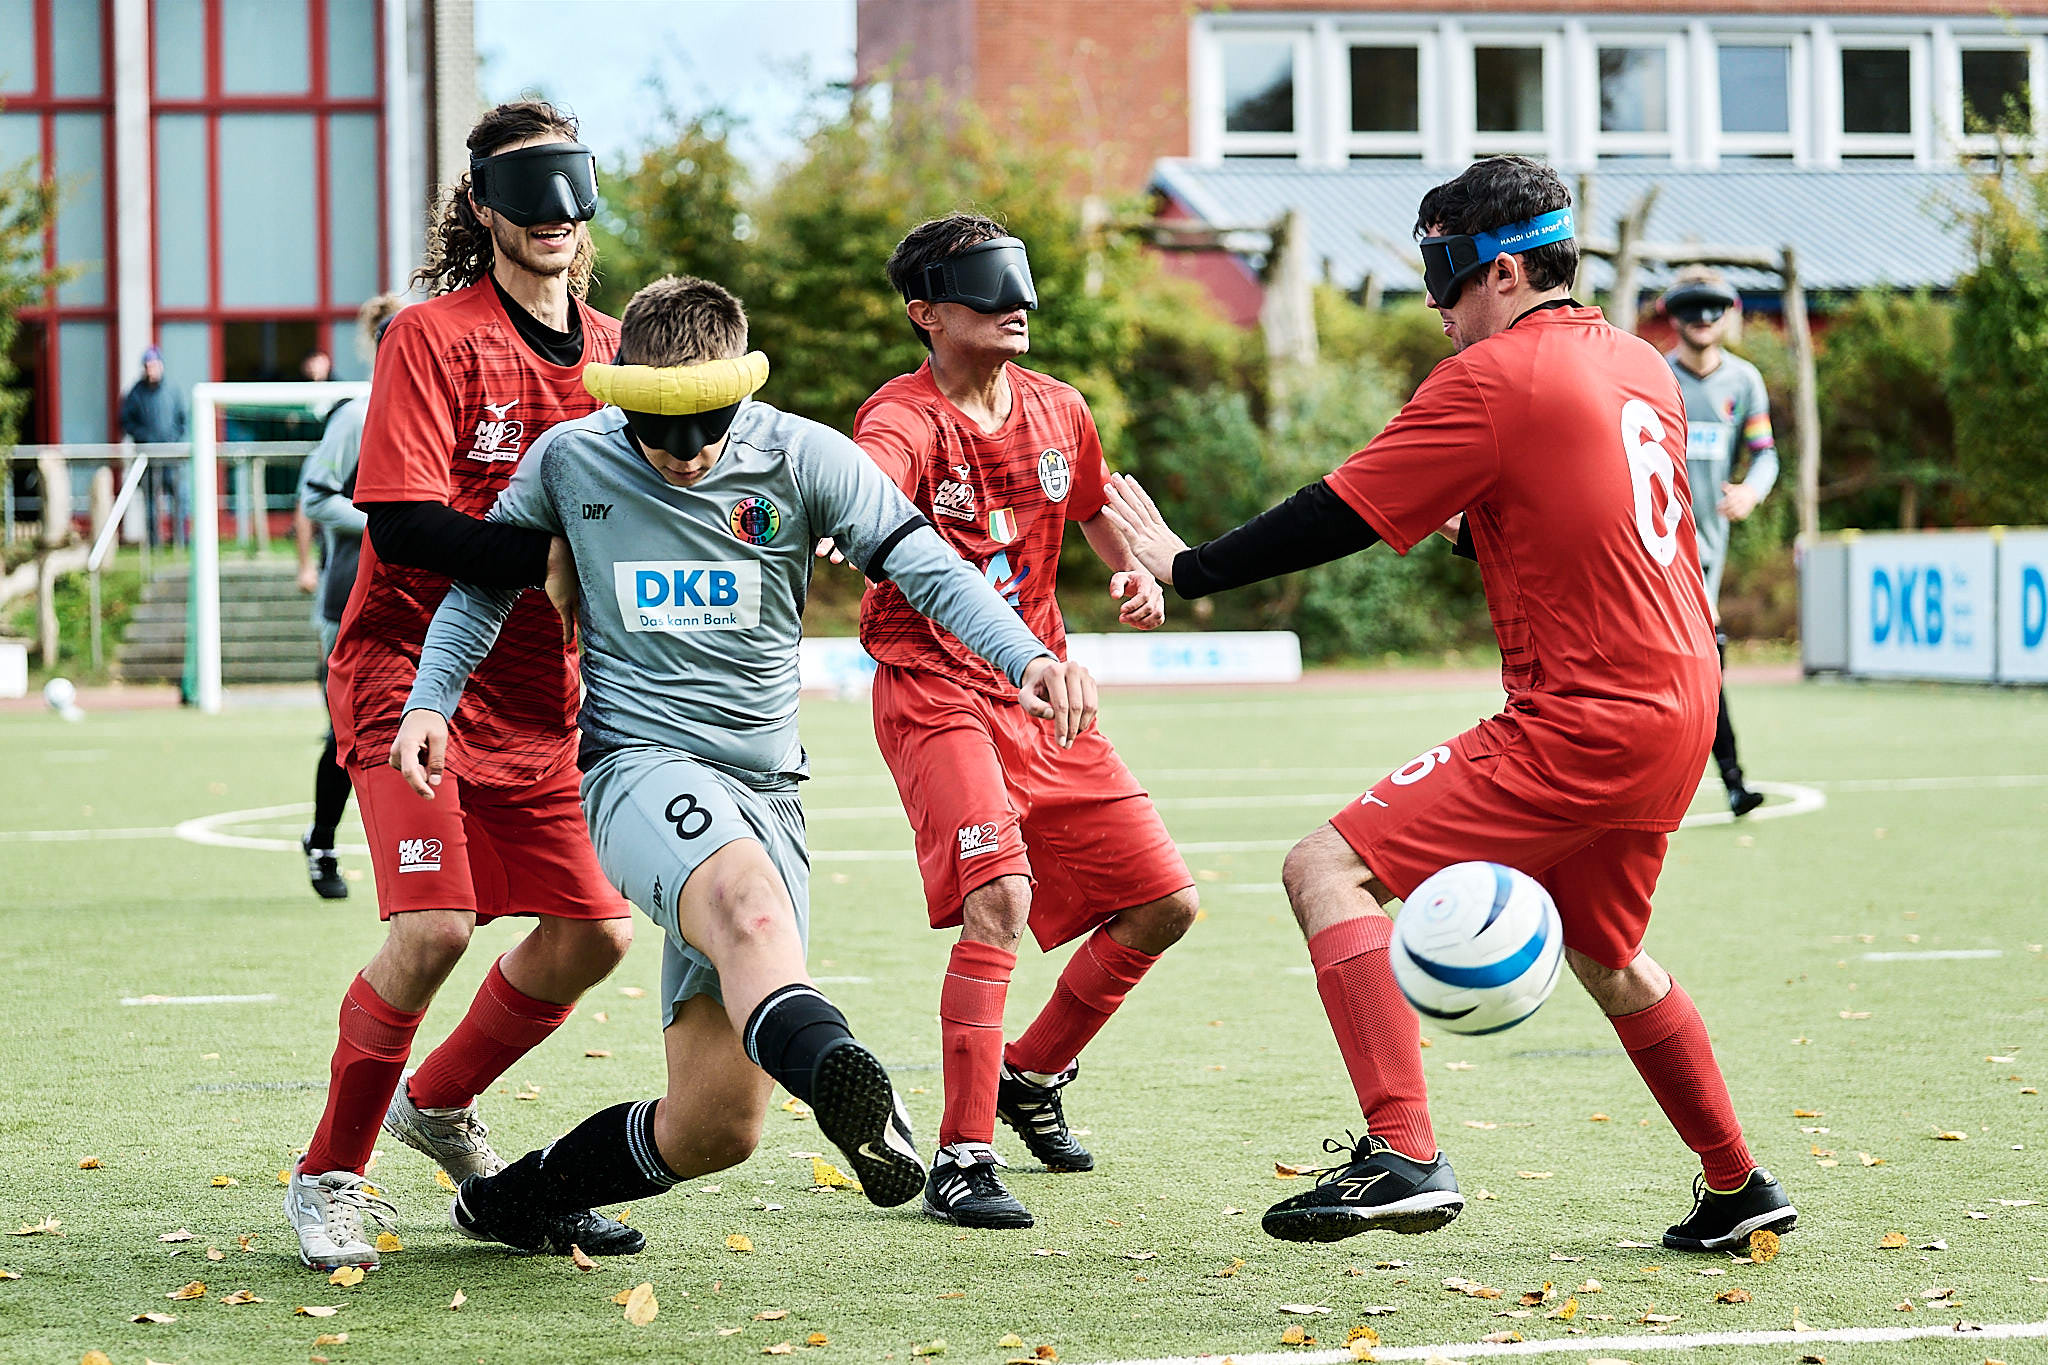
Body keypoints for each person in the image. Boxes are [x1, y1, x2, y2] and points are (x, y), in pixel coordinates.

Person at [1101, 156, 1795, 1254]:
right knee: (1608, 954)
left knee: (1322, 868)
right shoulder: (1636, 364)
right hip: (1679, 708)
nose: (1434, 310)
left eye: (1444, 282)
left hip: (1585, 715)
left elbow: (1328, 511)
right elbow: (1557, 511)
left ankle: (1403, 1152)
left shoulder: (1493, 378)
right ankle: (1736, 1186)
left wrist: (1185, 571)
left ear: (1505, 272)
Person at [389, 274, 1099, 1251]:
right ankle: (855, 1086)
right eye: (655, 427)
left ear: (742, 392)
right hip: (638, 766)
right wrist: (431, 701)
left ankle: (516, 1200)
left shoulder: (804, 457)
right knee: (749, 911)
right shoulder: (568, 460)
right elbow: (479, 589)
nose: (681, 457)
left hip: (770, 789)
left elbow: (927, 565)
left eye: (704, 429)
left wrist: (1025, 654)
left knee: (716, 1126)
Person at [288, 101, 639, 1272]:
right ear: (484, 205)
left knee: (593, 935)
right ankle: (331, 1174)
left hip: (546, 696)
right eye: (526, 191)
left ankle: (436, 1104)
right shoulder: (431, 336)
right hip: (408, 671)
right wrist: (551, 555)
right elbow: (404, 521)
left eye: (570, 185)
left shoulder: (616, 350)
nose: (553, 215)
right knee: (435, 925)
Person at [853, 216, 1199, 1230]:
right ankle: (962, 1157)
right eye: (983, 288)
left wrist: (1130, 571)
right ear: (925, 311)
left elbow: (1093, 508)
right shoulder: (904, 419)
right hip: (934, 689)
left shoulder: (1059, 409)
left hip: (1042, 694)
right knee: (997, 898)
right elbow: (866, 482)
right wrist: (844, 517)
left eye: (1019, 285)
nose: (1017, 305)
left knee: (1163, 906)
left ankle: (1032, 1072)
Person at [295, 296, 405, 900]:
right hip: (351, 600)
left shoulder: (449, 410)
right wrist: (387, 525)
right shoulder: (357, 417)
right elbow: (314, 495)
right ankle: (323, 843)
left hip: (424, 603)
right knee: (349, 734)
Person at [1661, 269, 1778, 817]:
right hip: (1655, 549)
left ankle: (1724, 781)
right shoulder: (1654, 375)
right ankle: (1727, 781)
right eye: (1692, 309)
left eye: (1713, 309)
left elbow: (1765, 453)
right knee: (1694, 668)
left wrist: (1752, 491)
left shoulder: (1743, 381)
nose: (1702, 321)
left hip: (1709, 551)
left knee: (1700, 672)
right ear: (1675, 315)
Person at [119, 345, 188, 548]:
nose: (152, 370)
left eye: (155, 365)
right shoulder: (135, 394)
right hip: (147, 457)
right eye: (148, 366)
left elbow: (182, 421)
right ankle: (153, 542)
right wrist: (145, 438)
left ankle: (180, 541)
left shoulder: (172, 391)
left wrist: (171, 439)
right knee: (150, 502)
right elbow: (126, 422)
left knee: (178, 498)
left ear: (161, 366)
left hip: (170, 456)